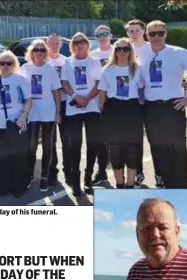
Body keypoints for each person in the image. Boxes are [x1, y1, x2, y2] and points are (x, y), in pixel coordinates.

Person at [141, 20, 187, 188]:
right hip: (150, 108)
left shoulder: (179, 53)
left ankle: (180, 185)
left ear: (166, 34)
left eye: (160, 33)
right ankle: (165, 183)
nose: (156, 37)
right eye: (152, 33)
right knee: (157, 146)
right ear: (146, 35)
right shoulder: (140, 54)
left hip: (173, 106)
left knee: (176, 148)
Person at [0, 51, 32, 197]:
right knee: (0, 159)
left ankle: (18, 187)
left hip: (16, 126)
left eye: (9, 63)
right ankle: (2, 187)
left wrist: (24, 114)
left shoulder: (20, 80)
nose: (5, 66)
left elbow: (28, 100)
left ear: (14, 65)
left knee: (18, 159)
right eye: (2, 63)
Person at [99, 39, 144, 189]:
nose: (122, 52)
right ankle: (119, 183)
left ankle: (130, 184)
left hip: (132, 109)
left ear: (131, 51)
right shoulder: (107, 69)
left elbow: (143, 88)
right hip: (113, 109)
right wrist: (102, 111)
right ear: (115, 51)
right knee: (115, 149)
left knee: (132, 149)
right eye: (119, 49)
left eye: (125, 49)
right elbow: (103, 92)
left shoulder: (137, 68)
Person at [61, 32, 102, 196]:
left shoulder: (95, 61)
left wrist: (88, 98)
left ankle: (88, 180)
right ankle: (76, 183)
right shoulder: (67, 62)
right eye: (76, 42)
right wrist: (76, 97)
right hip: (73, 109)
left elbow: (99, 83)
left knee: (92, 144)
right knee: (74, 146)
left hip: (91, 107)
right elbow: (64, 82)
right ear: (73, 45)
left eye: (83, 41)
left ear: (87, 44)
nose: (80, 44)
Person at [125, 19, 163, 189]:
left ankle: (160, 174)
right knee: (135, 140)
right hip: (132, 103)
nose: (134, 34)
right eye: (130, 31)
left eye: (137, 30)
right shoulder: (123, 48)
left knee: (155, 138)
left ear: (144, 31)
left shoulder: (152, 48)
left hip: (151, 100)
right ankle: (138, 173)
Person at [20, 39, 61, 192]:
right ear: (31, 52)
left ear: (46, 53)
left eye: (42, 50)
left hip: (48, 113)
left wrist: (58, 112)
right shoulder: (25, 68)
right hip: (31, 113)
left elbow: (56, 91)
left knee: (48, 146)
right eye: (36, 50)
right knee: (30, 146)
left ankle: (44, 176)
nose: (39, 52)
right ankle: (30, 175)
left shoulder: (50, 69)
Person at [89, 25, 114, 186]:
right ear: (95, 38)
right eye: (99, 35)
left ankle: (131, 172)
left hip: (119, 102)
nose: (103, 37)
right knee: (100, 140)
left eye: (105, 34)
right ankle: (102, 171)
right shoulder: (92, 56)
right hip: (98, 103)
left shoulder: (120, 50)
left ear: (111, 35)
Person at [46, 33, 71, 186]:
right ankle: (52, 172)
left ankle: (68, 171)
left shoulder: (66, 61)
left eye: (57, 43)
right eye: (52, 43)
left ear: (61, 45)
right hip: (48, 105)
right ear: (47, 44)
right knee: (50, 141)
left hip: (63, 104)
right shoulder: (42, 60)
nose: (54, 46)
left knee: (66, 140)